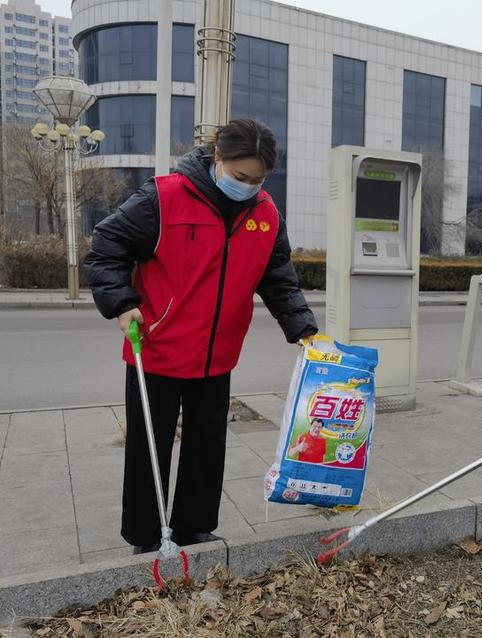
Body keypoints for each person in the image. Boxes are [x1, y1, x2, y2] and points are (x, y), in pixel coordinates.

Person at [84, 118, 318, 553]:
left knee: (207, 447)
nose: (247, 186)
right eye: (240, 175)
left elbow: (279, 279)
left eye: (258, 179)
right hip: (156, 348)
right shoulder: (164, 197)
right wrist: (120, 302)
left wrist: (304, 330)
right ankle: (145, 536)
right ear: (218, 158)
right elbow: (106, 244)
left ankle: (193, 526)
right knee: (148, 448)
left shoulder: (266, 215)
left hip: (217, 355)